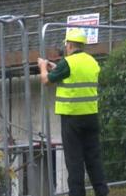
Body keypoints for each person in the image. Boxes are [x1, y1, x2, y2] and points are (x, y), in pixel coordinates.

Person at [38, 28, 109, 196]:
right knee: (94, 159)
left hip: (72, 119)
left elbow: (46, 80)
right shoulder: (92, 61)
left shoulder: (67, 62)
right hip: (91, 116)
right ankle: (102, 192)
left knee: (74, 161)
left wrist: (43, 66)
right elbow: (73, 74)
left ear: (69, 45)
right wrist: (55, 67)